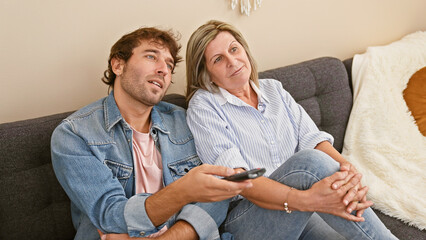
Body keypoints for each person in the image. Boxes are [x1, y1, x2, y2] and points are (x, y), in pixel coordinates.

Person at [185, 20, 397, 239]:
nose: (232, 61)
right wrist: (307, 201)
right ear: (207, 74)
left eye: (234, 49)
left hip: (298, 211)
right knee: (310, 162)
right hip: (248, 218)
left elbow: (313, 139)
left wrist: (348, 171)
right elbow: (239, 181)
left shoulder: (273, 89)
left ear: (244, 51)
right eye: (218, 59)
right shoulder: (204, 106)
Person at [51, 26, 252, 240]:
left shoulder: (183, 120)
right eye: (151, 56)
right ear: (118, 65)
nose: (163, 69)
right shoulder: (74, 134)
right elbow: (109, 216)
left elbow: (217, 195)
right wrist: (183, 191)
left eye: (169, 64)